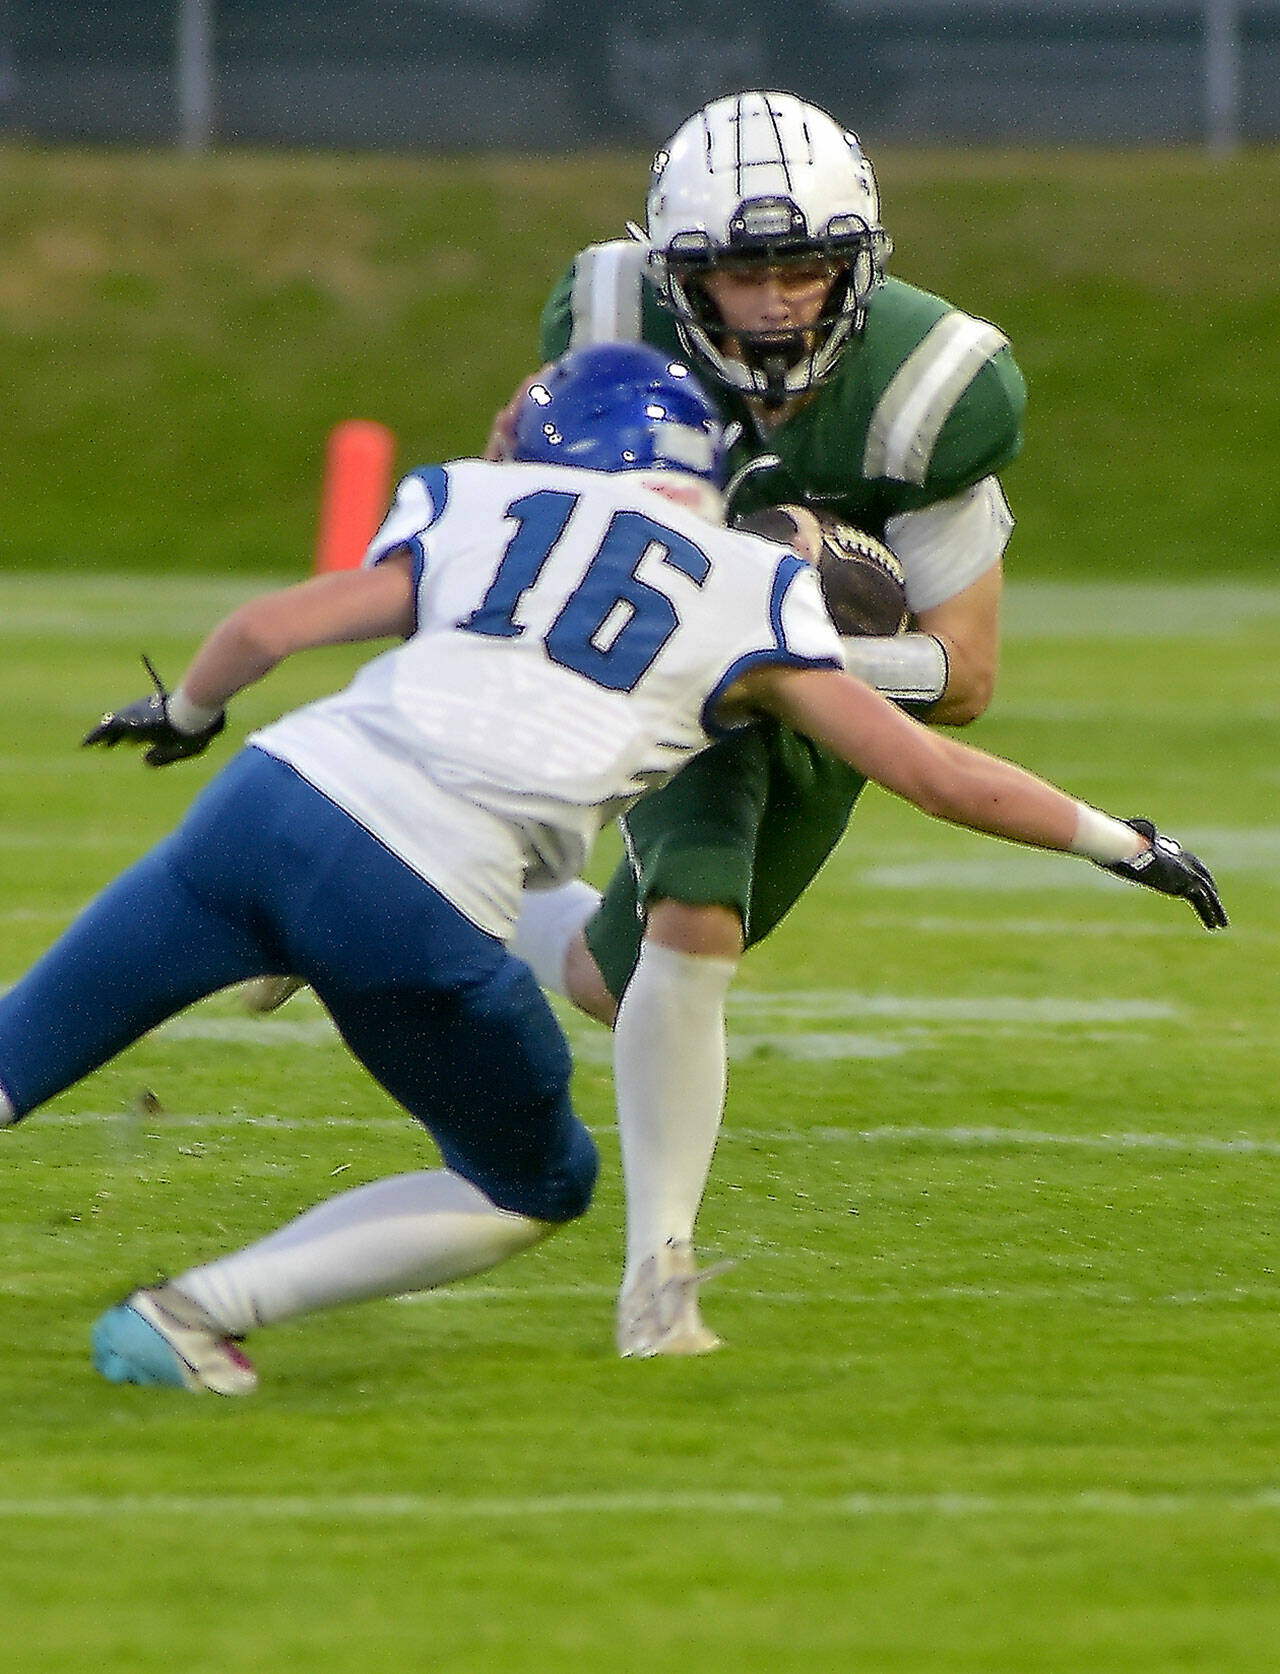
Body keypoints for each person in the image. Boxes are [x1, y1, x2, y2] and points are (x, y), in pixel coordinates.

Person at [6, 346, 1221, 1399]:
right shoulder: (748, 588)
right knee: (530, 1183)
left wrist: (187, 709)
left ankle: (271, 970)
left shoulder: (474, 502)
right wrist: (1124, 842)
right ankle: (189, 1317)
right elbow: (933, 773)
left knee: (22, 1049)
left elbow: (271, 627)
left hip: (265, 801)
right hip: (417, 892)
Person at [489, 90, 1032, 1356]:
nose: (778, 298)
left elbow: (961, 678)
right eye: (741, 271)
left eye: (803, 266)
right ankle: (656, 1275)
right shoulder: (609, 318)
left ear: (857, 265)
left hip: (822, 691)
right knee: (694, 917)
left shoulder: (929, 387)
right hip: (659, 669)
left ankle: (425, 902)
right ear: (682, 275)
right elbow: (525, 507)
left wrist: (782, 636)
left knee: (610, 976)